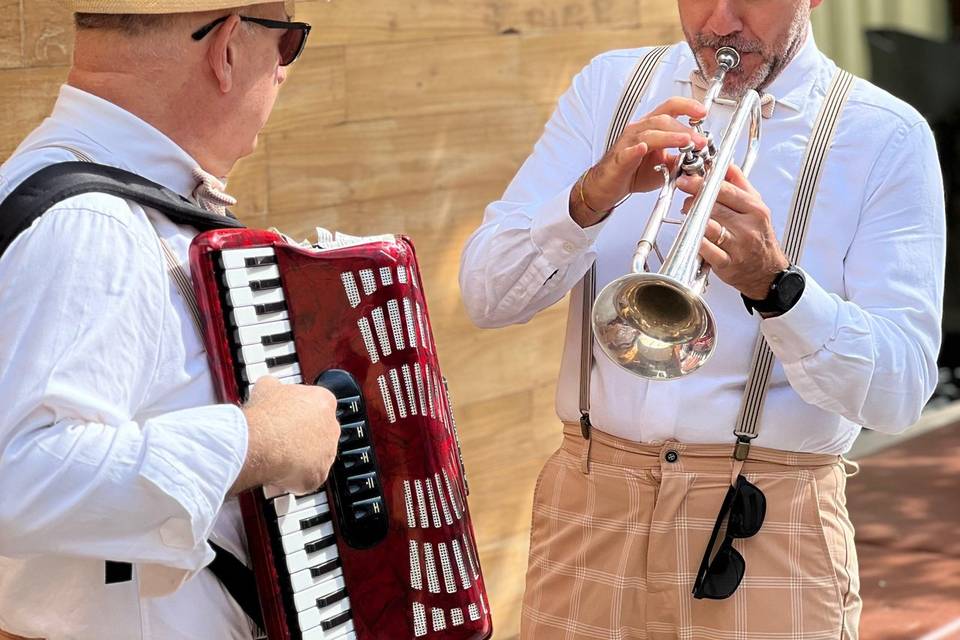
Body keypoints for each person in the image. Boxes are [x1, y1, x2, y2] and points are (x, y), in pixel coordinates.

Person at [460, 0, 945, 638]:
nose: (720, 22)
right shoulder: (608, 88)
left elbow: (900, 393)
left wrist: (778, 289)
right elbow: (487, 298)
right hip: (589, 507)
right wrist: (587, 200)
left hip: (769, 524)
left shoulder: (885, 134)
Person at [0, 2, 342, 639]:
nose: (285, 72)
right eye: (288, 43)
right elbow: (16, 477)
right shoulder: (91, 224)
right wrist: (258, 441)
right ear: (230, 48)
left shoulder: (92, 199)